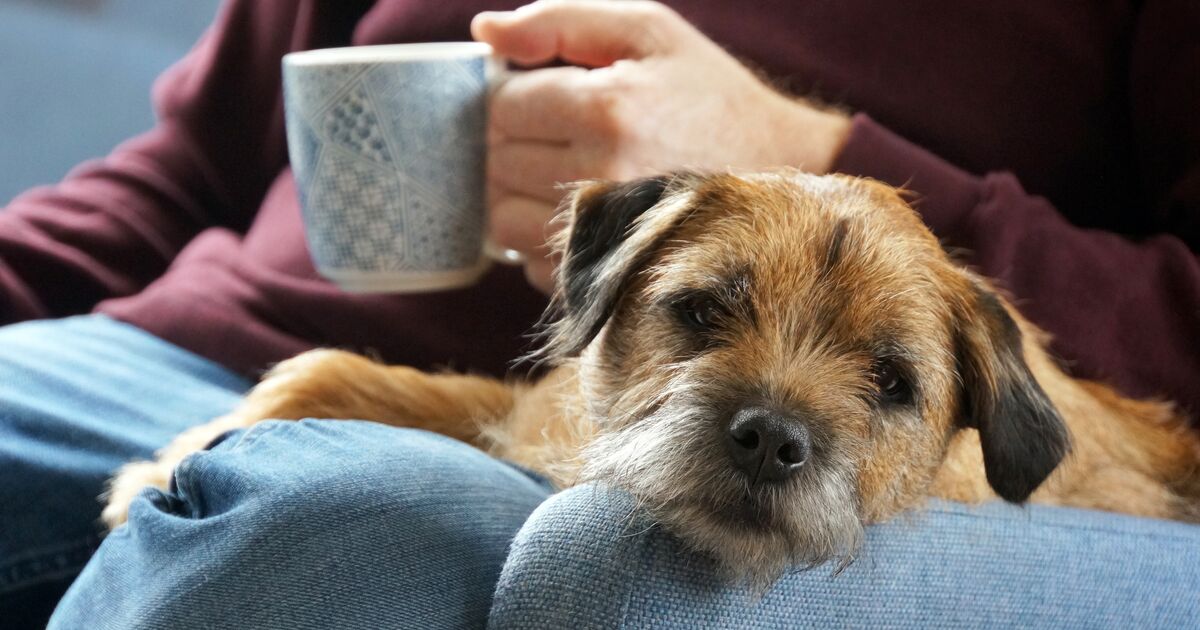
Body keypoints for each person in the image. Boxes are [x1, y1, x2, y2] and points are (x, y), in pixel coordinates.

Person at [0, 0, 1194, 627]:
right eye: (707, 312)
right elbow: (187, 165)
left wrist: (802, 150)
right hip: (156, 344)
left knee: (309, 520)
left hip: (407, 475)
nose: (777, 410)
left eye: (878, 376)